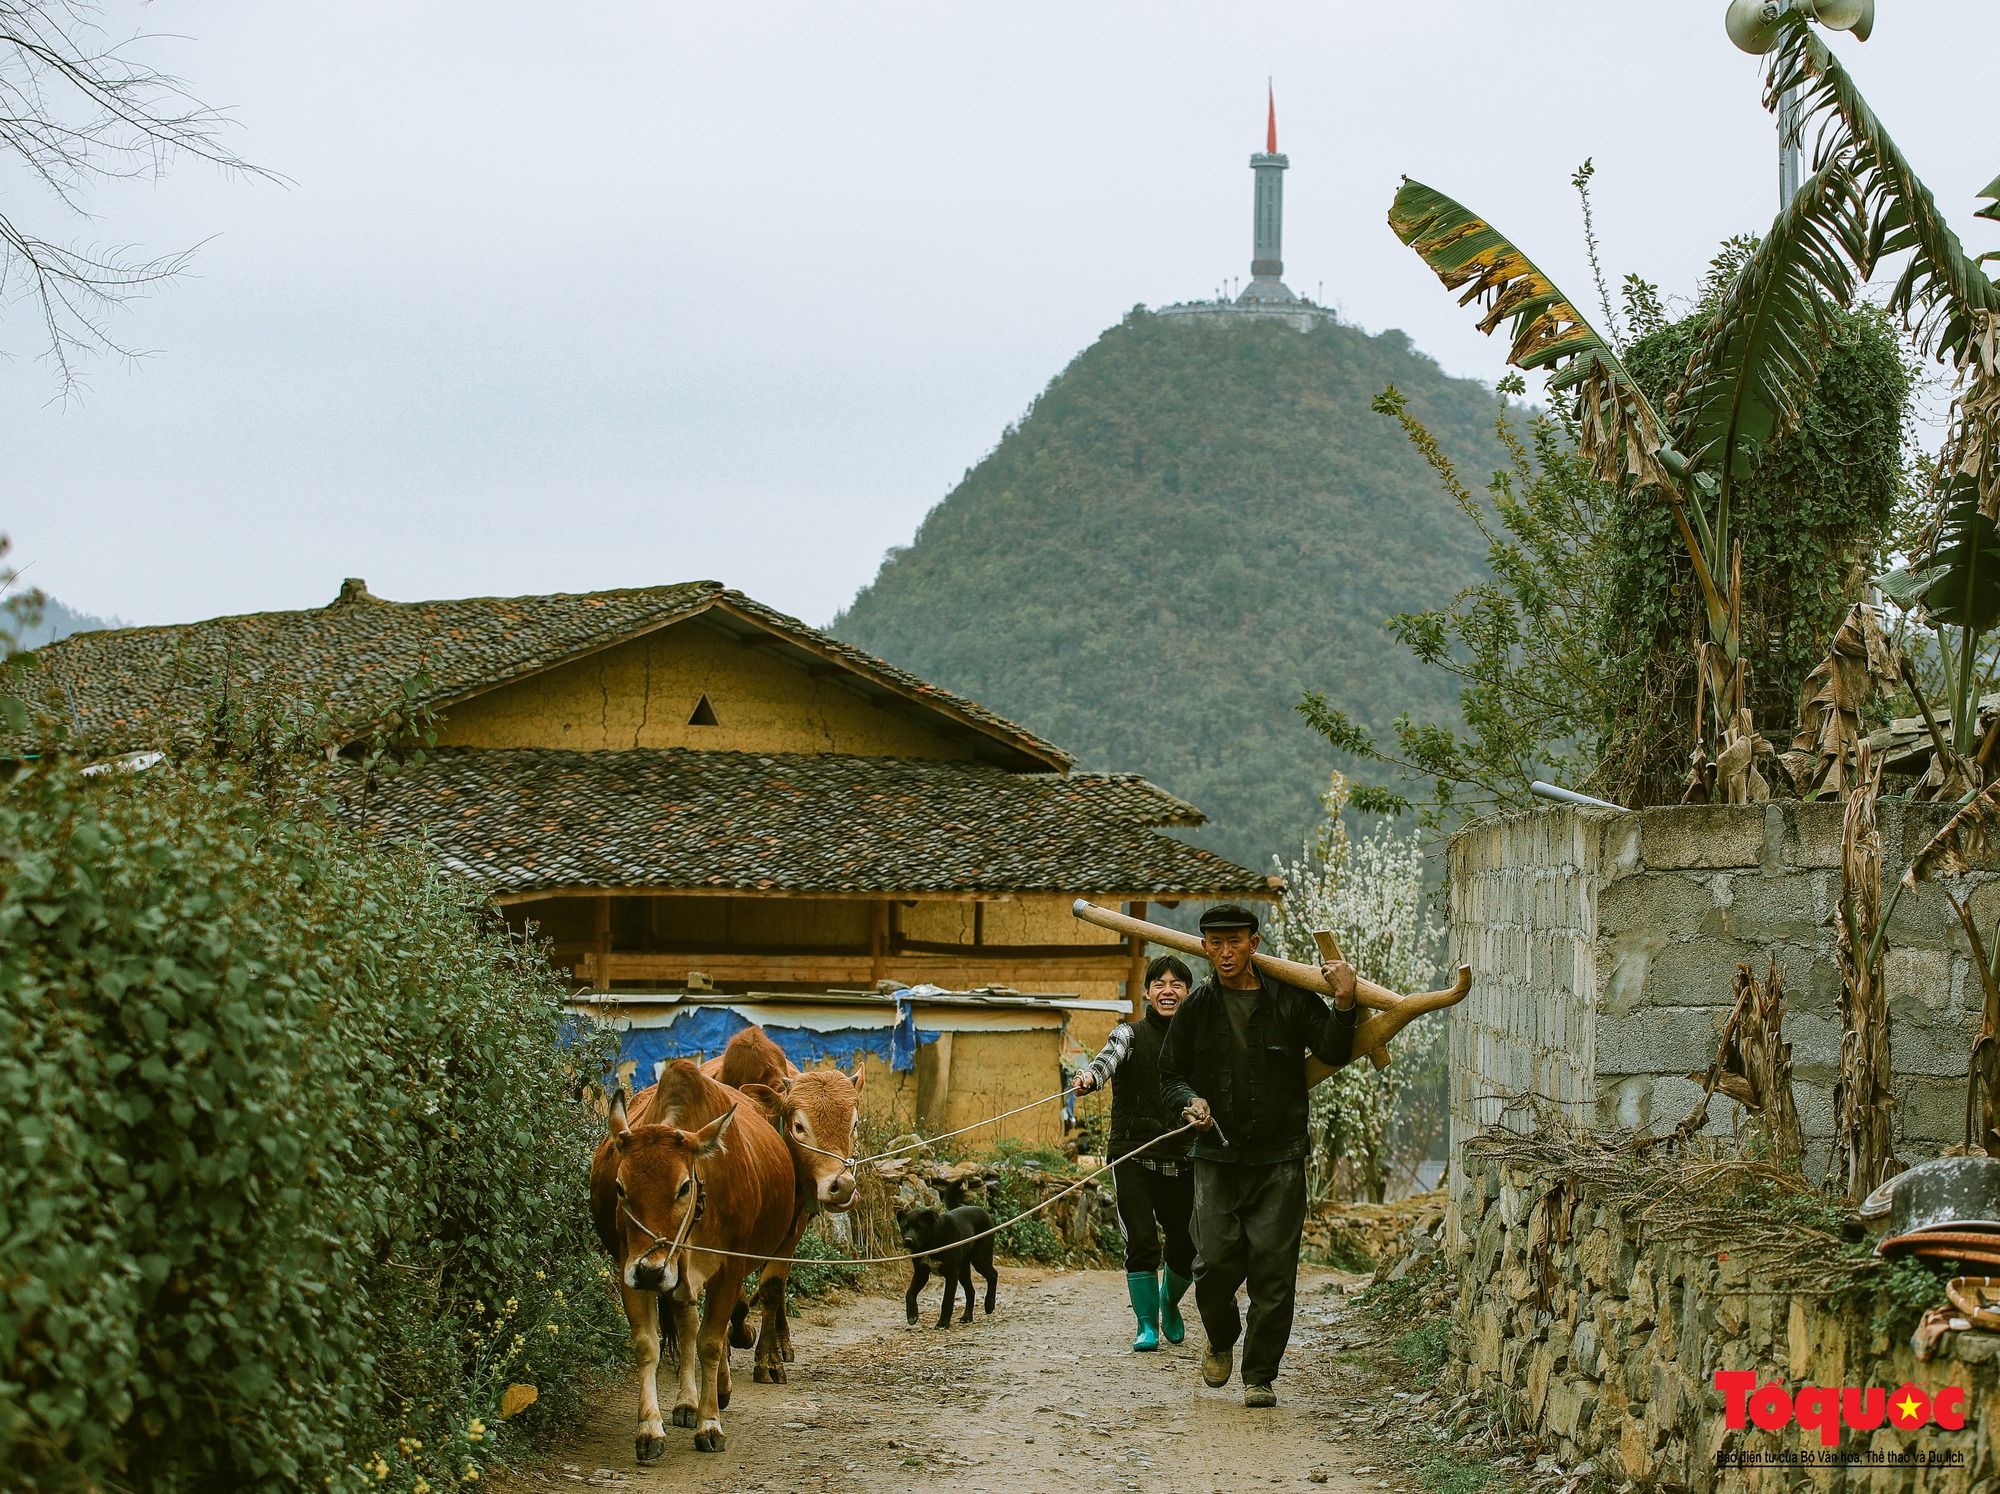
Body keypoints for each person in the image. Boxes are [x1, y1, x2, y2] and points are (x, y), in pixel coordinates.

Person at [1158, 902, 1357, 1409]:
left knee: (1273, 1270)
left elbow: (1334, 1050)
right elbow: (1171, 1077)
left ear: (1255, 944)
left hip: (1280, 1156)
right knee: (1212, 1264)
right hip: (1216, 1156)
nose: (1225, 952)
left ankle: (1260, 1375)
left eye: (1235, 941)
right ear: (1204, 948)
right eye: (1215, 943)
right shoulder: (1197, 1007)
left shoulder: (1289, 1000)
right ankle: (1221, 1337)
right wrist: (1190, 1102)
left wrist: (1344, 1001)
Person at [1072, 954, 1197, 1352]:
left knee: (1186, 1245)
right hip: (1132, 1154)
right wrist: (1090, 1078)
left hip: (1183, 1155)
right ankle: (1147, 1325)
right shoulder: (1128, 1034)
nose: (1167, 991)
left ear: (1188, 993)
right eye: (1159, 983)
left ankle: (1169, 1302)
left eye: (1176, 984)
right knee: (1142, 1241)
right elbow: (1106, 1061)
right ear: (1146, 992)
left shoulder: (1198, 1042)